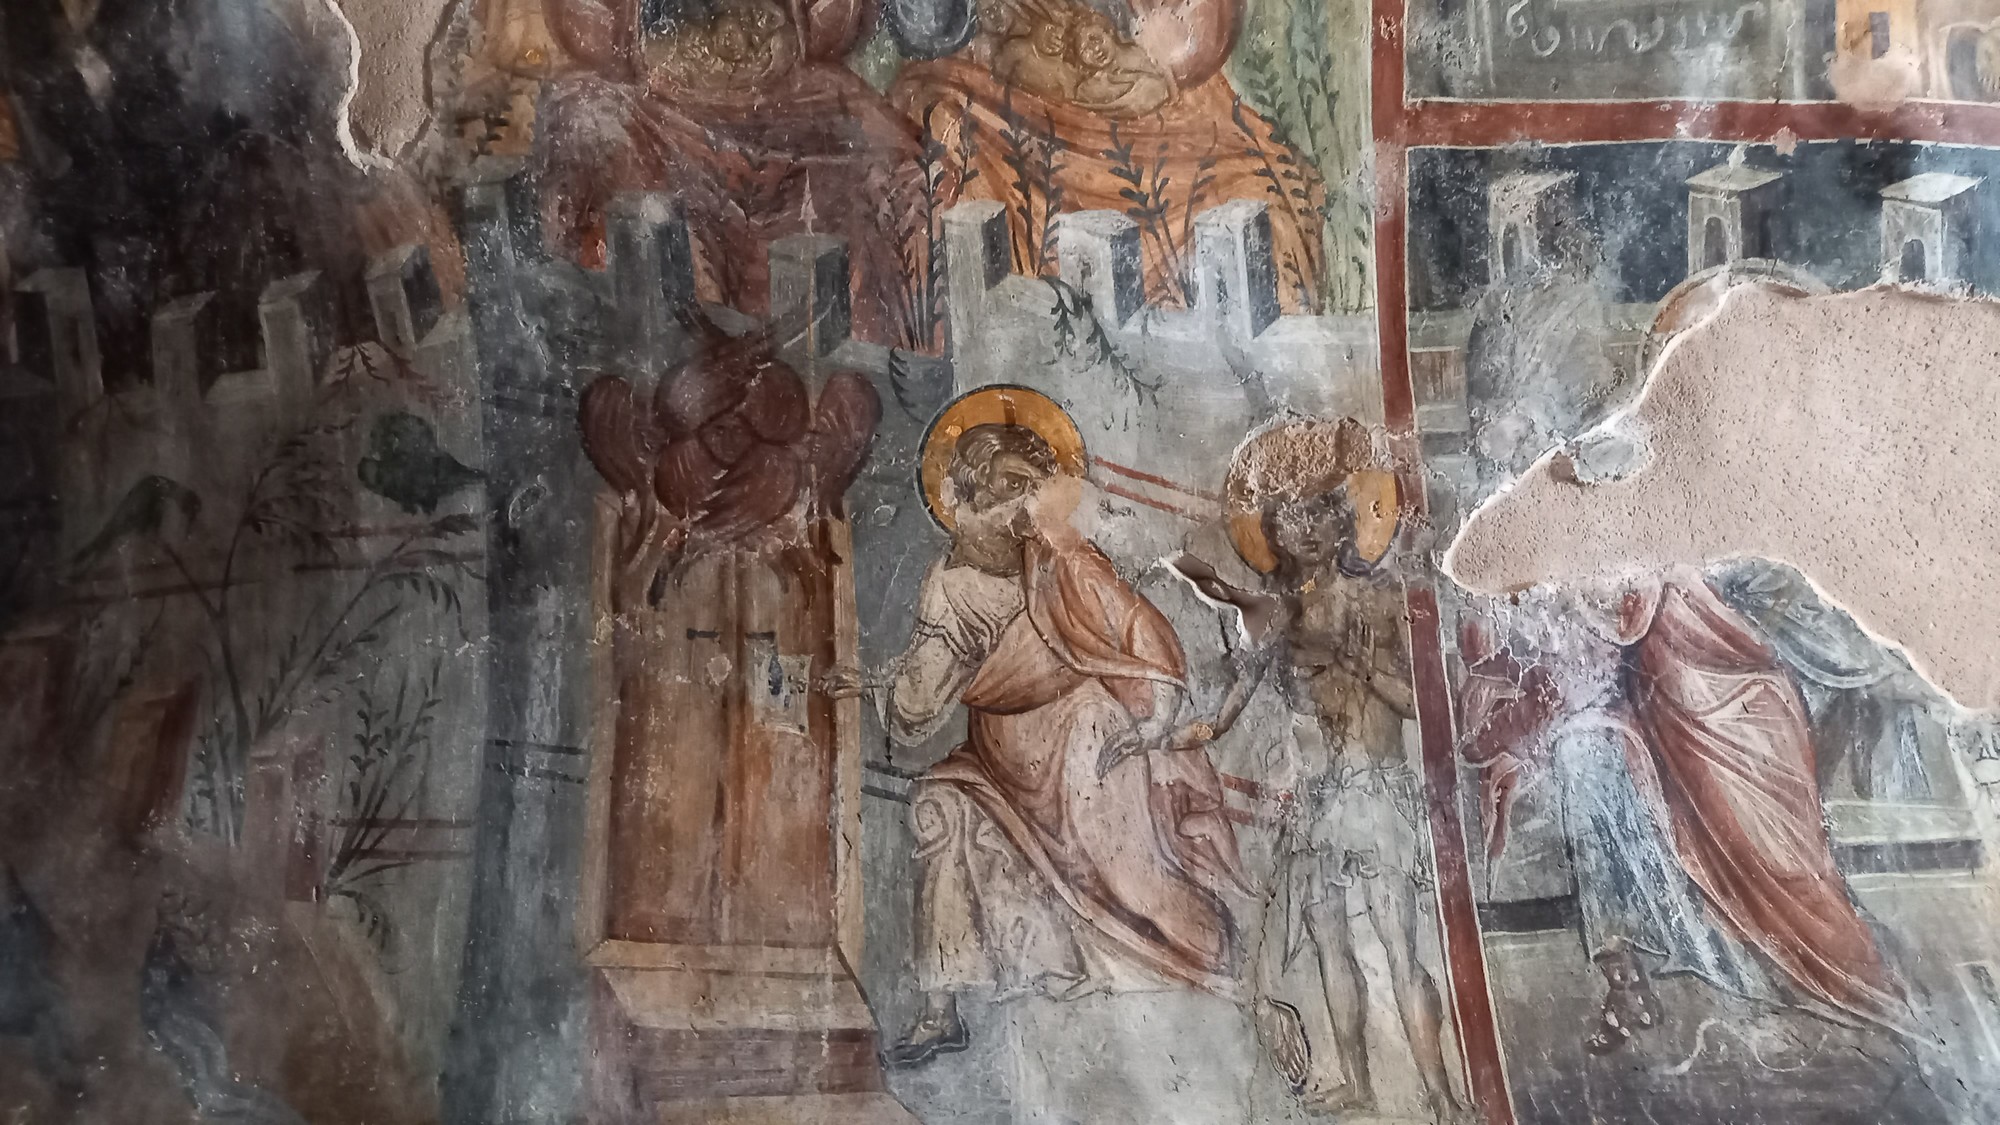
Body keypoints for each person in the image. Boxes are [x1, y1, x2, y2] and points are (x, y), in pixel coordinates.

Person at [826, 406, 1247, 1067]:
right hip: (1002, 760)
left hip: (1085, 744)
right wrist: (881, 683)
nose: (1011, 513)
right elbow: (921, 698)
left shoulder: (1058, 561)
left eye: (1023, 495)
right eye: (1000, 495)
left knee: (1134, 882)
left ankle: (1213, 960)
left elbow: (1136, 625)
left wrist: (1156, 716)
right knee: (940, 805)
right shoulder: (952, 581)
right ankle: (940, 1013)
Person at [533, 0, 931, 345]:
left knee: (879, 174)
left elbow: (829, 29)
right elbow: (594, 34)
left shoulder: (808, 75)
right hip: (661, 96)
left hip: (780, 87)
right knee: (589, 116)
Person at [887, 0, 1325, 309]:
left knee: (1251, 194)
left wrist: (1155, 51)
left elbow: (1191, 42)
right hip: (998, 93)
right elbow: (926, 26)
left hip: (1142, 106)